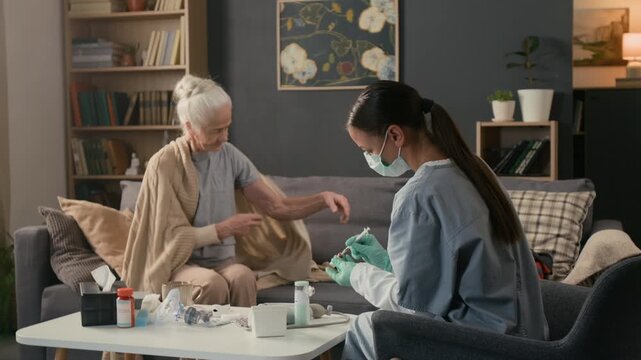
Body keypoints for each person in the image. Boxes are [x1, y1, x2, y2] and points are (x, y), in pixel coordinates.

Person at [326, 80, 548, 359]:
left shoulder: (418, 195)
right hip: (527, 337)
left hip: (484, 345)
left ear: (395, 135)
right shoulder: (476, 168)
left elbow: (415, 309)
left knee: (364, 327)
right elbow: (453, 273)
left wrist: (357, 275)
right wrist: (387, 263)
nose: (370, 159)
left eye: (368, 151)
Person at [122, 74, 350, 307]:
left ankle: (242, 342)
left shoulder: (229, 155)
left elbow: (276, 206)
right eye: (215, 130)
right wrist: (222, 230)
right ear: (189, 127)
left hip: (224, 261)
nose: (224, 137)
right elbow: (167, 238)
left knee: (243, 277)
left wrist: (322, 199)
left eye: (227, 127)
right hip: (181, 264)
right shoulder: (165, 163)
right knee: (212, 283)